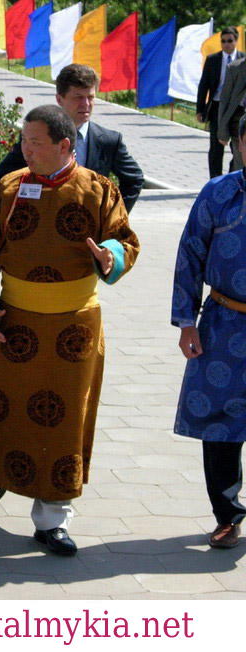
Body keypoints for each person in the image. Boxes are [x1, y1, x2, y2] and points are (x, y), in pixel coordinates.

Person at [0, 105, 139, 556]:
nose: (26, 149)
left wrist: (110, 257)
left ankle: (52, 519)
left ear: (65, 145)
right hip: (13, 323)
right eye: (24, 141)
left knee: (63, 421)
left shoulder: (98, 190)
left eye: (36, 142)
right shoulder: (9, 187)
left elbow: (124, 240)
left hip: (73, 332)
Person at [171, 114, 246, 549]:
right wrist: (186, 321)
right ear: (237, 143)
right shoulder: (218, 193)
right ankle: (227, 514)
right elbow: (190, 256)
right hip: (223, 322)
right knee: (221, 425)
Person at [0, 64, 143, 213]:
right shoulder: (37, 135)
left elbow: (134, 180)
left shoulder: (108, 140)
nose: (86, 104)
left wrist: (113, 216)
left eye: (90, 97)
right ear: (60, 99)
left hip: (88, 230)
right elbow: (5, 176)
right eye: (78, 97)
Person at [196, 27, 244, 178]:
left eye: (230, 41)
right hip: (217, 107)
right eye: (223, 41)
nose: (226, 44)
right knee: (216, 147)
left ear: (236, 41)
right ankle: (215, 181)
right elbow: (204, 85)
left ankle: (232, 176)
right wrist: (200, 109)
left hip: (237, 110)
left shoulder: (242, 60)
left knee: (237, 148)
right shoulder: (213, 59)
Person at [218, 39, 246, 171]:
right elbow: (225, 100)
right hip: (238, 121)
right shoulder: (235, 68)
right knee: (240, 163)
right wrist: (222, 131)